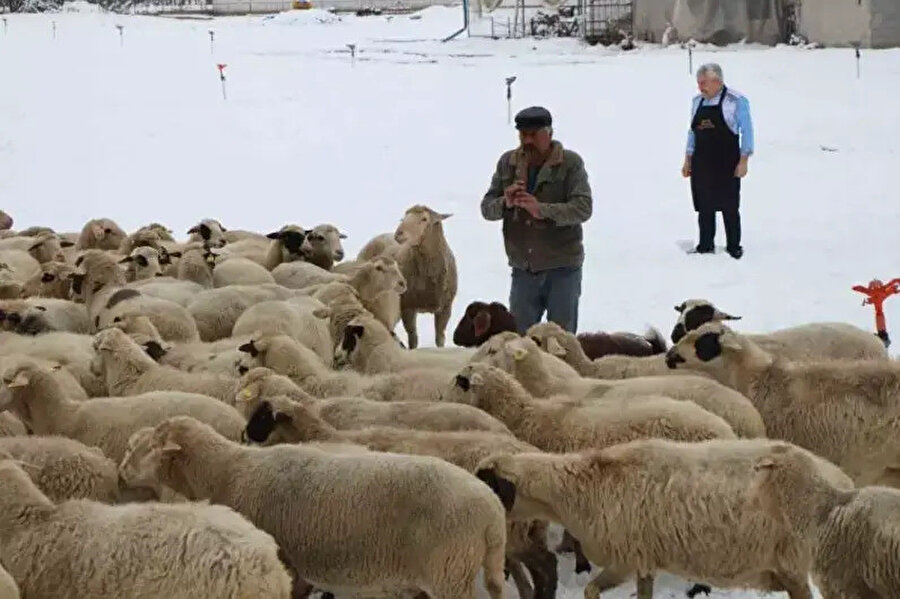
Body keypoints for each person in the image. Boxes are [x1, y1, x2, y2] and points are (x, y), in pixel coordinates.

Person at [481, 106, 593, 334]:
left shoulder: (570, 164)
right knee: (518, 342)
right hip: (524, 269)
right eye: (523, 135)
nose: (528, 141)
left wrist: (541, 210)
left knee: (560, 343)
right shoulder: (508, 163)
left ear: (549, 133)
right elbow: (486, 209)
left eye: (534, 135)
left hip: (562, 269)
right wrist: (506, 202)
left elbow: (583, 208)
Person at [681, 62, 754, 259]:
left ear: (717, 81)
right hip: (702, 161)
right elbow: (692, 132)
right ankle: (705, 244)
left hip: (727, 161)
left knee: (729, 206)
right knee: (704, 205)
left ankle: (733, 245)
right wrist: (688, 159)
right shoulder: (697, 102)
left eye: (704, 83)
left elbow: (747, 131)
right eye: (699, 83)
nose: (700, 87)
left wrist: (744, 159)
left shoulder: (736, 101)